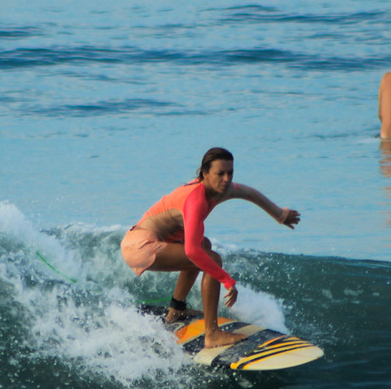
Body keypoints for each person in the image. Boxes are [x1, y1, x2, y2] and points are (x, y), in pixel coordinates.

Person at [121, 147, 300, 348]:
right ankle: (212, 334)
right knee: (210, 258)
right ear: (205, 173)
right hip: (140, 245)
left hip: (142, 241)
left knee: (203, 245)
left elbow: (249, 193)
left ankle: (176, 310)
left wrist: (280, 215)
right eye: (220, 173)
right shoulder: (196, 198)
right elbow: (191, 251)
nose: (226, 179)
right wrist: (227, 280)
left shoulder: (218, 189)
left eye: (230, 173)